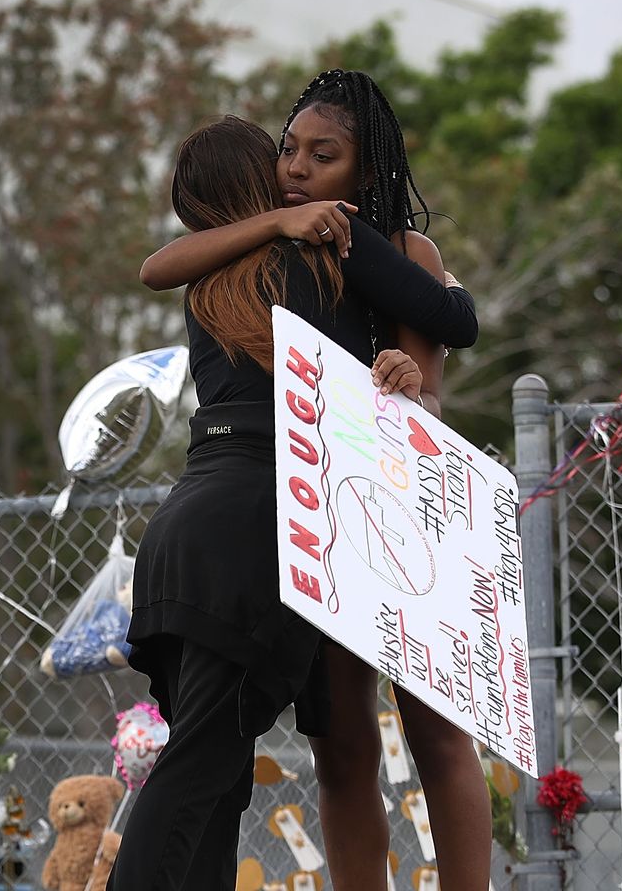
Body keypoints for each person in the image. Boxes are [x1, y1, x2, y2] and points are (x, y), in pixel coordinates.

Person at [136, 70, 493, 891]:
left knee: (438, 734)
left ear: (363, 173)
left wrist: (408, 380)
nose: (296, 167)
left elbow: (436, 387)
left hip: (400, 507)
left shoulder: (407, 255)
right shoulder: (272, 247)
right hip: (315, 511)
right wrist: (284, 219)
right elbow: (163, 266)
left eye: (321, 156)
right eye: (288, 149)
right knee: (343, 743)